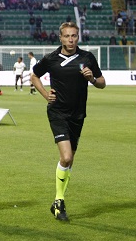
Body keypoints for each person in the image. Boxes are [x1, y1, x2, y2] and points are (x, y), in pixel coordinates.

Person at [30, 21, 106, 221]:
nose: (70, 39)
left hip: (78, 115)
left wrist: (91, 79)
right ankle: (59, 200)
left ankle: (57, 202)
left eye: (74, 36)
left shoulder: (87, 58)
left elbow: (102, 83)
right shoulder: (51, 59)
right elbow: (34, 76)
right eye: (67, 36)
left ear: (77, 37)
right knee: (66, 157)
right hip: (57, 112)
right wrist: (46, 95)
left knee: (69, 159)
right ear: (60, 37)